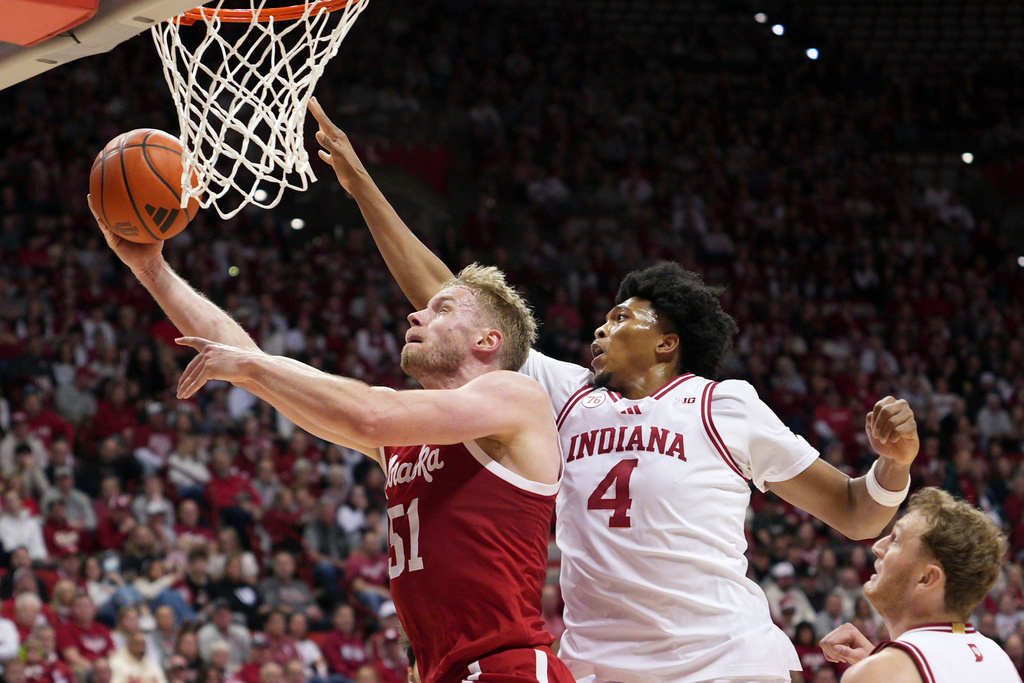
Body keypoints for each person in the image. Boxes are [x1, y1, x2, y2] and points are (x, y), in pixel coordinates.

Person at [307, 98, 922, 683]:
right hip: (602, 666)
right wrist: (362, 183)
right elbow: (450, 301)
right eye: (606, 316)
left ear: (668, 342)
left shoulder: (723, 405)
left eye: (624, 317)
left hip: (726, 661)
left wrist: (893, 467)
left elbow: (853, 513)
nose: (603, 326)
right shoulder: (565, 394)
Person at [87, 193, 573, 683]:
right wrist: (151, 268)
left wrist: (255, 366)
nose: (415, 316)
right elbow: (245, 361)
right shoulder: (407, 440)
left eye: (441, 308)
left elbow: (367, 413)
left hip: (507, 667)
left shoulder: (518, 397)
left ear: (487, 340)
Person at [820, 487, 1020, 681]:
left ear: (926, 578)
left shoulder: (878, 674)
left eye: (896, 540)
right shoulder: (997, 657)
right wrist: (879, 662)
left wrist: (877, 670)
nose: (877, 546)